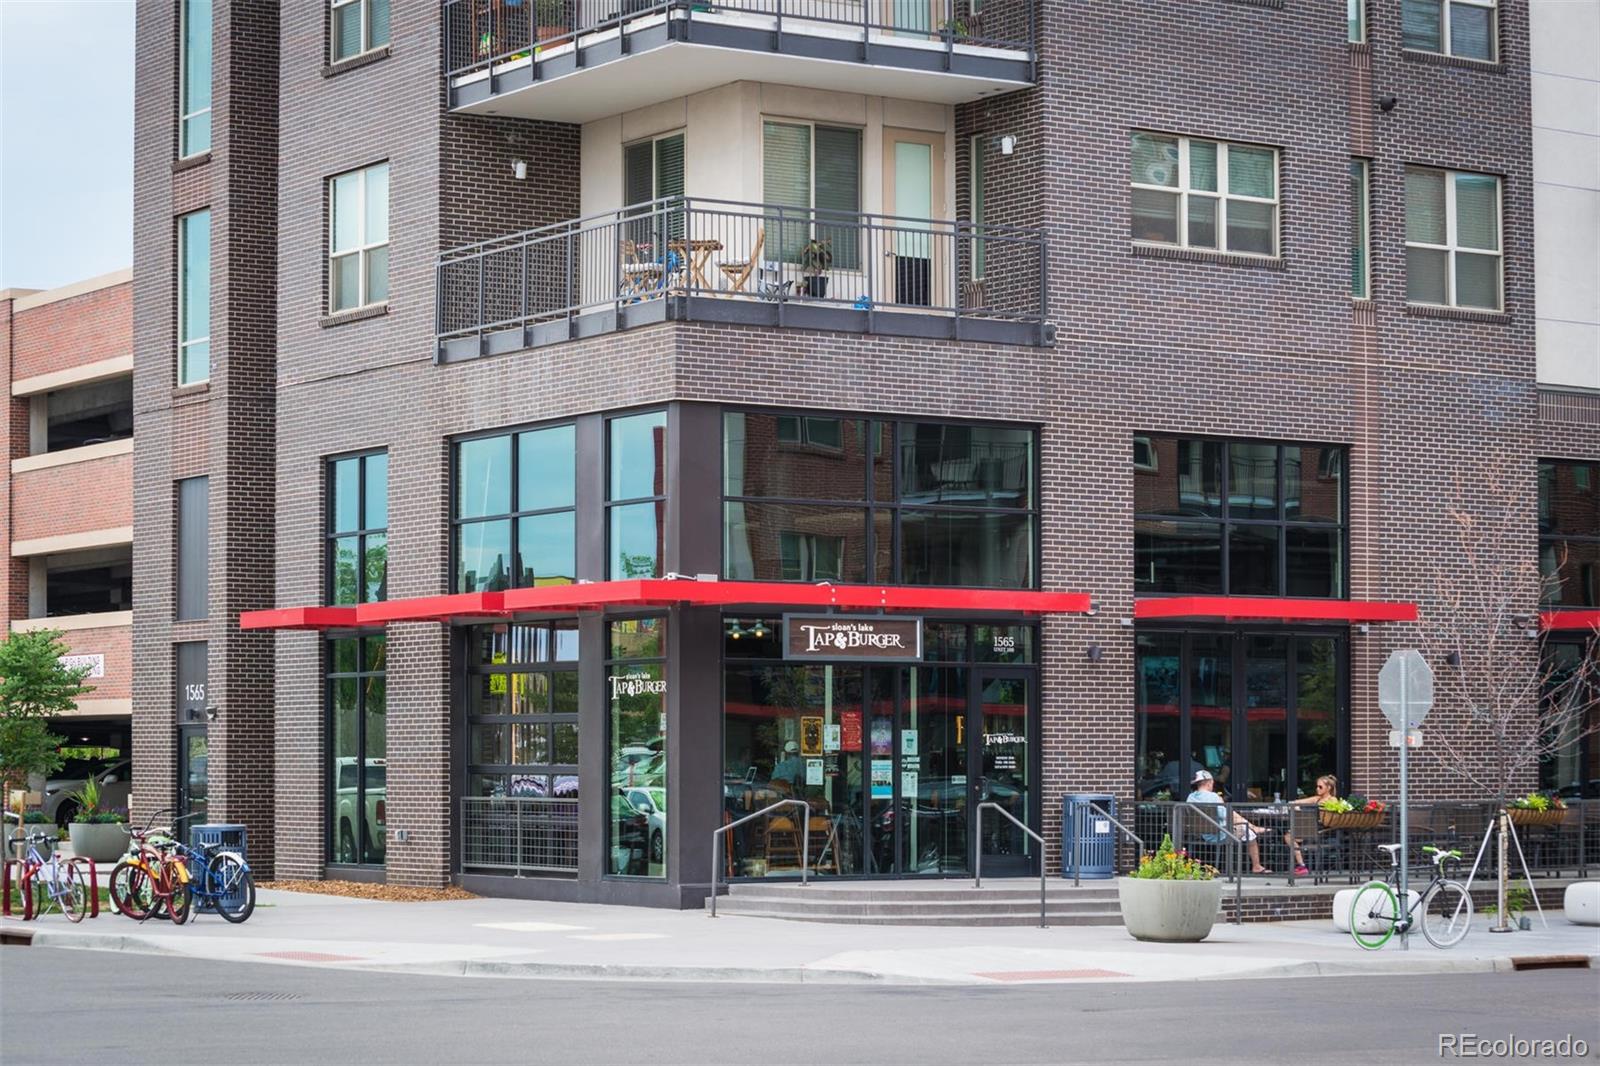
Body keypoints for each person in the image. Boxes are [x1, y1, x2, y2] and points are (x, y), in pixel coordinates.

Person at [1186, 769, 1271, 874]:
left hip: (1200, 834)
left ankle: (1252, 826)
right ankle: (1256, 866)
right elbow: (1226, 816)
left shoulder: (1190, 797)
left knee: (1236, 818)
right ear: (1209, 783)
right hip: (1219, 834)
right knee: (1249, 833)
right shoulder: (1214, 797)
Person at [1283, 774, 1338, 876]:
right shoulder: (1317, 799)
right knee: (1289, 836)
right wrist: (1296, 805)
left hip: (1323, 831)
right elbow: (1296, 802)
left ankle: (1302, 865)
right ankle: (1302, 865)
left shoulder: (1332, 800)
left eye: (1320, 787)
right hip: (1310, 829)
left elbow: (1329, 816)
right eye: (1317, 786)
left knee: (1289, 836)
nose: (1317, 789)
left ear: (1328, 788)